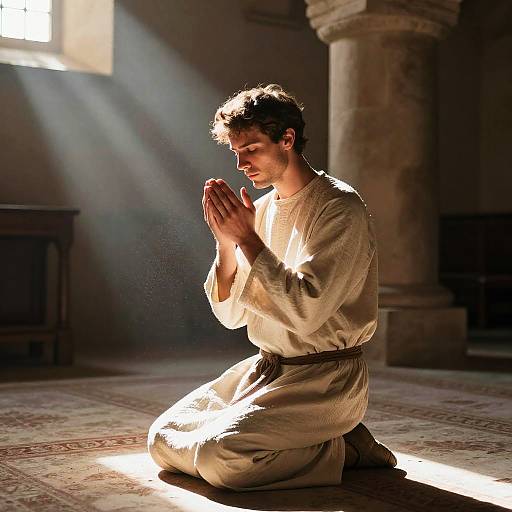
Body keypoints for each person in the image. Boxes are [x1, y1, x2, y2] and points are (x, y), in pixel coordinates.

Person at [147, 84, 397, 491]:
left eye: (251, 148)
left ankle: (345, 449)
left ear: (287, 139)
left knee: (221, 458)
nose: (242, 163)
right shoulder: (259, 211)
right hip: (265, 370)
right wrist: (226, 243)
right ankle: (323, 441)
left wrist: (247, 239)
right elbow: (231, 317)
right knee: (163, 438)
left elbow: (306, 313)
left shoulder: (340, 208)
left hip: (325, 380)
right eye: (236, 153)